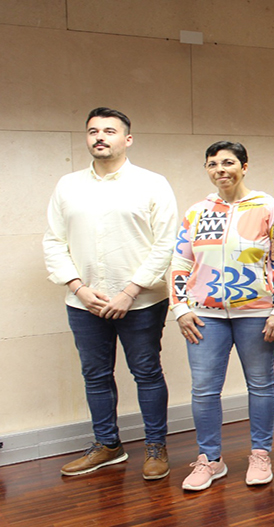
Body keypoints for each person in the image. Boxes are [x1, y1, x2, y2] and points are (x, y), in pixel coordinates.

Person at [43, 107, 178, 479]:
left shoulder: (152, 183)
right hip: (83, 303)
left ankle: (155, 447)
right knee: (95, 375)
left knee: (147, 373)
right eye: (92, 131)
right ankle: (107, 445)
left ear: (127, 139)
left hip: (142, 302)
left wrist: (130, 291)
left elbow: (166, 244)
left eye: (108, 131)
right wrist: (79, 289)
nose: (99, 136)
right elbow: (54, 242)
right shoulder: (67, 186)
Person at [172, 141, 274, 491]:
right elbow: (180, 264)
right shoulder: (197, 211)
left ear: (244, 166)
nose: (220, 170)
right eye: (212, 164)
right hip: (204, 316)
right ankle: (210, 460)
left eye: (228, 163)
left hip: (257, 314)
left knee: (260, 385)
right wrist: (180, 308)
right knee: (203, 390)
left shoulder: (268, 208)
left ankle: (260, 454)